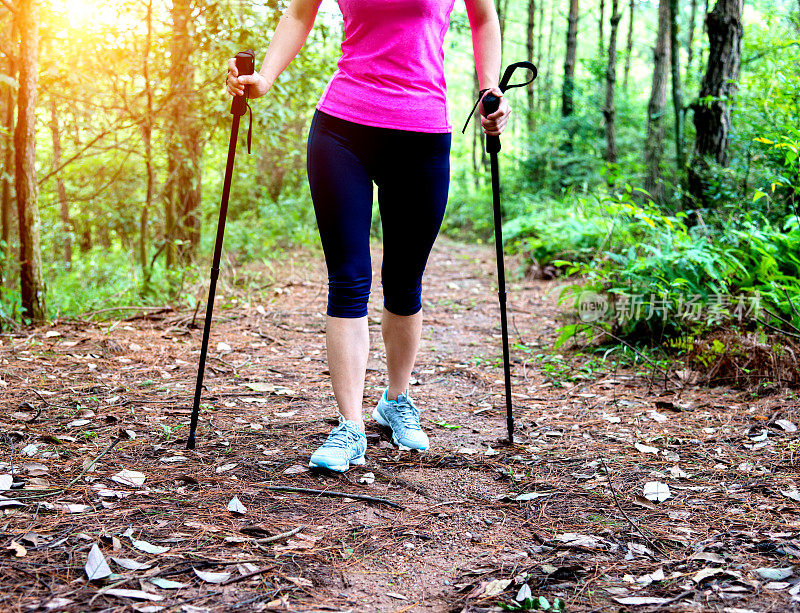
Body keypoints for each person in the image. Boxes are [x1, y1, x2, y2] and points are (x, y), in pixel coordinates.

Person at [226, 0, 511, 472]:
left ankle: (395, 400)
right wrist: (266, 78)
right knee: (349, 279)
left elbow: (484, 17)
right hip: (342, 130)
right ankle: (350, 426)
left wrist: (489, 87)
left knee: (403, 282)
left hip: (422, 134)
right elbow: (299, 14)